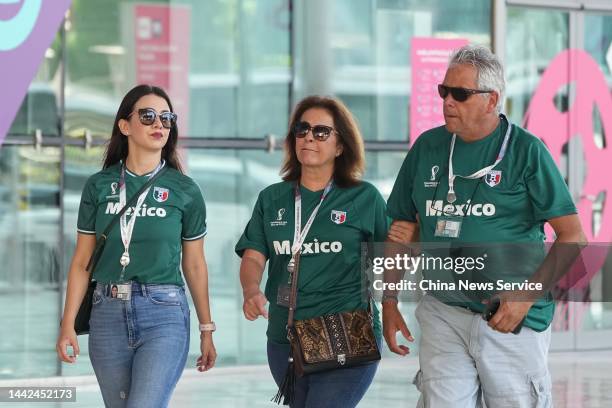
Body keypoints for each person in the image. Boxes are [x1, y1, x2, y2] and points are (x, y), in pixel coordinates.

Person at [383, 45, 586, 407]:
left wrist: (525, 298)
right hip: (443, 313)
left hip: (508, 317)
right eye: (444, 91)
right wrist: (389, 299)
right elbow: (400, 229)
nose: (447, 102)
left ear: (491, 100)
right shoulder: (427, 148)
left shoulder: (527, 152)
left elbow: (573, 236)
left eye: (460, 94)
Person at [56, 84, 217, 407]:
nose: (159, 124)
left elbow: (195, 264)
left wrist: (206, 328)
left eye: (166, 118)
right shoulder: (99, 186)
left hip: (164, 313)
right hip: (107, 313)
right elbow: (81, 262)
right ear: (125, 125)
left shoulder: (184, 190)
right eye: (148, 116)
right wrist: (67, 324)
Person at [235, 95, 388, 408]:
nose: (308, 137)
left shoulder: (364, 198)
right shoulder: (272, 198)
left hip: (347, 334)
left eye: (321, 132)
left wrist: (393, 307)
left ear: (340, 145)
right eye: (301, 129)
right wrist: (251, 290)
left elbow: (394, 258)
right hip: (285, 339)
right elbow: (253, 256)